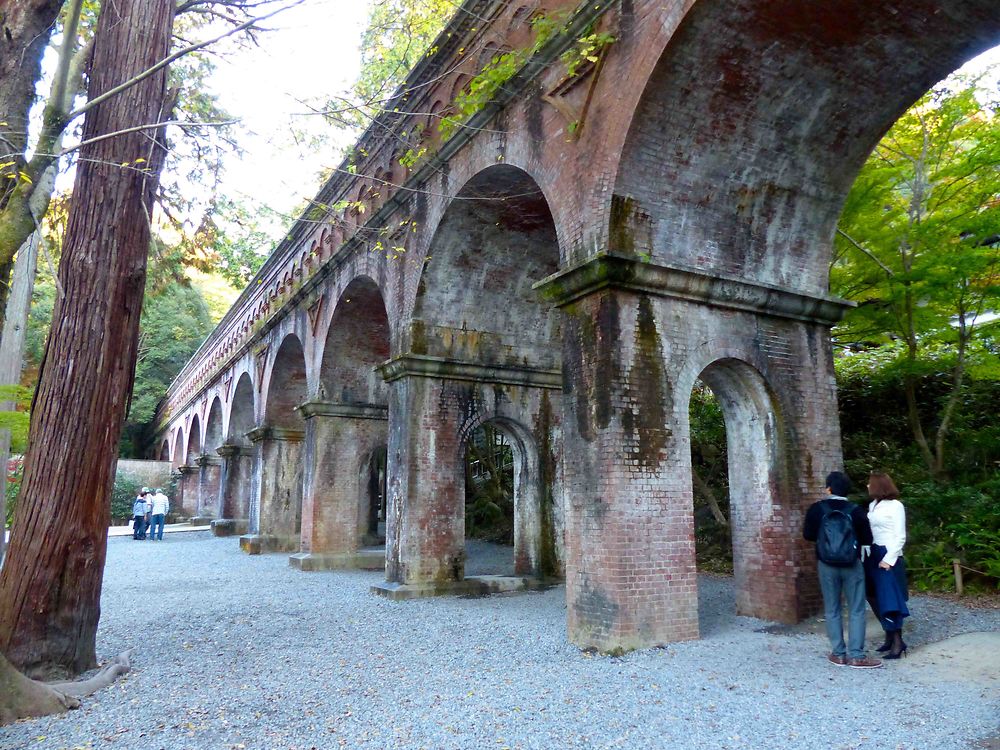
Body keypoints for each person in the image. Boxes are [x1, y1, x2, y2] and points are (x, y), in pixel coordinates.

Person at [803, 471, 882, 669]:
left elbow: (808, 535)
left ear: (828, 489)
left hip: (826, 564)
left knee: (832, 608)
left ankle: (838, 654)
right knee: (856, 608)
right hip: (852, 564)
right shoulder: (856, 511)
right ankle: (856, 655)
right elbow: (867, 539)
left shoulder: (816, 509)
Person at [864, 471, 909, 659]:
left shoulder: (895, 506)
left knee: (890, 598)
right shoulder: (872, 505)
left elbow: (900, 536)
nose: (867, 486)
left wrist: (889, 559)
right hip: (873, 553)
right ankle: (889, 635)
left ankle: (898, 642)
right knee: (872, 595)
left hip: (888, 554)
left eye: (869, 483)